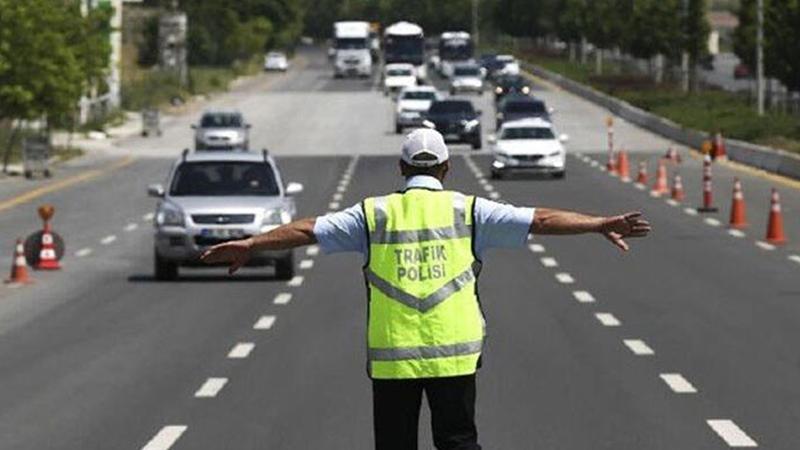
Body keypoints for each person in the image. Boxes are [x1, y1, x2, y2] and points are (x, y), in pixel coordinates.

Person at [201, 128, 651, 450]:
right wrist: (598, 224)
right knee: (458, 441)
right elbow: (541, 220)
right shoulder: (470, 210)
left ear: (400, 168)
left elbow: (306, 230)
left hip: (393, 358)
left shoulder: (372, 215)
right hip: (455, 355)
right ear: (447, 168)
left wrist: (253, 243)